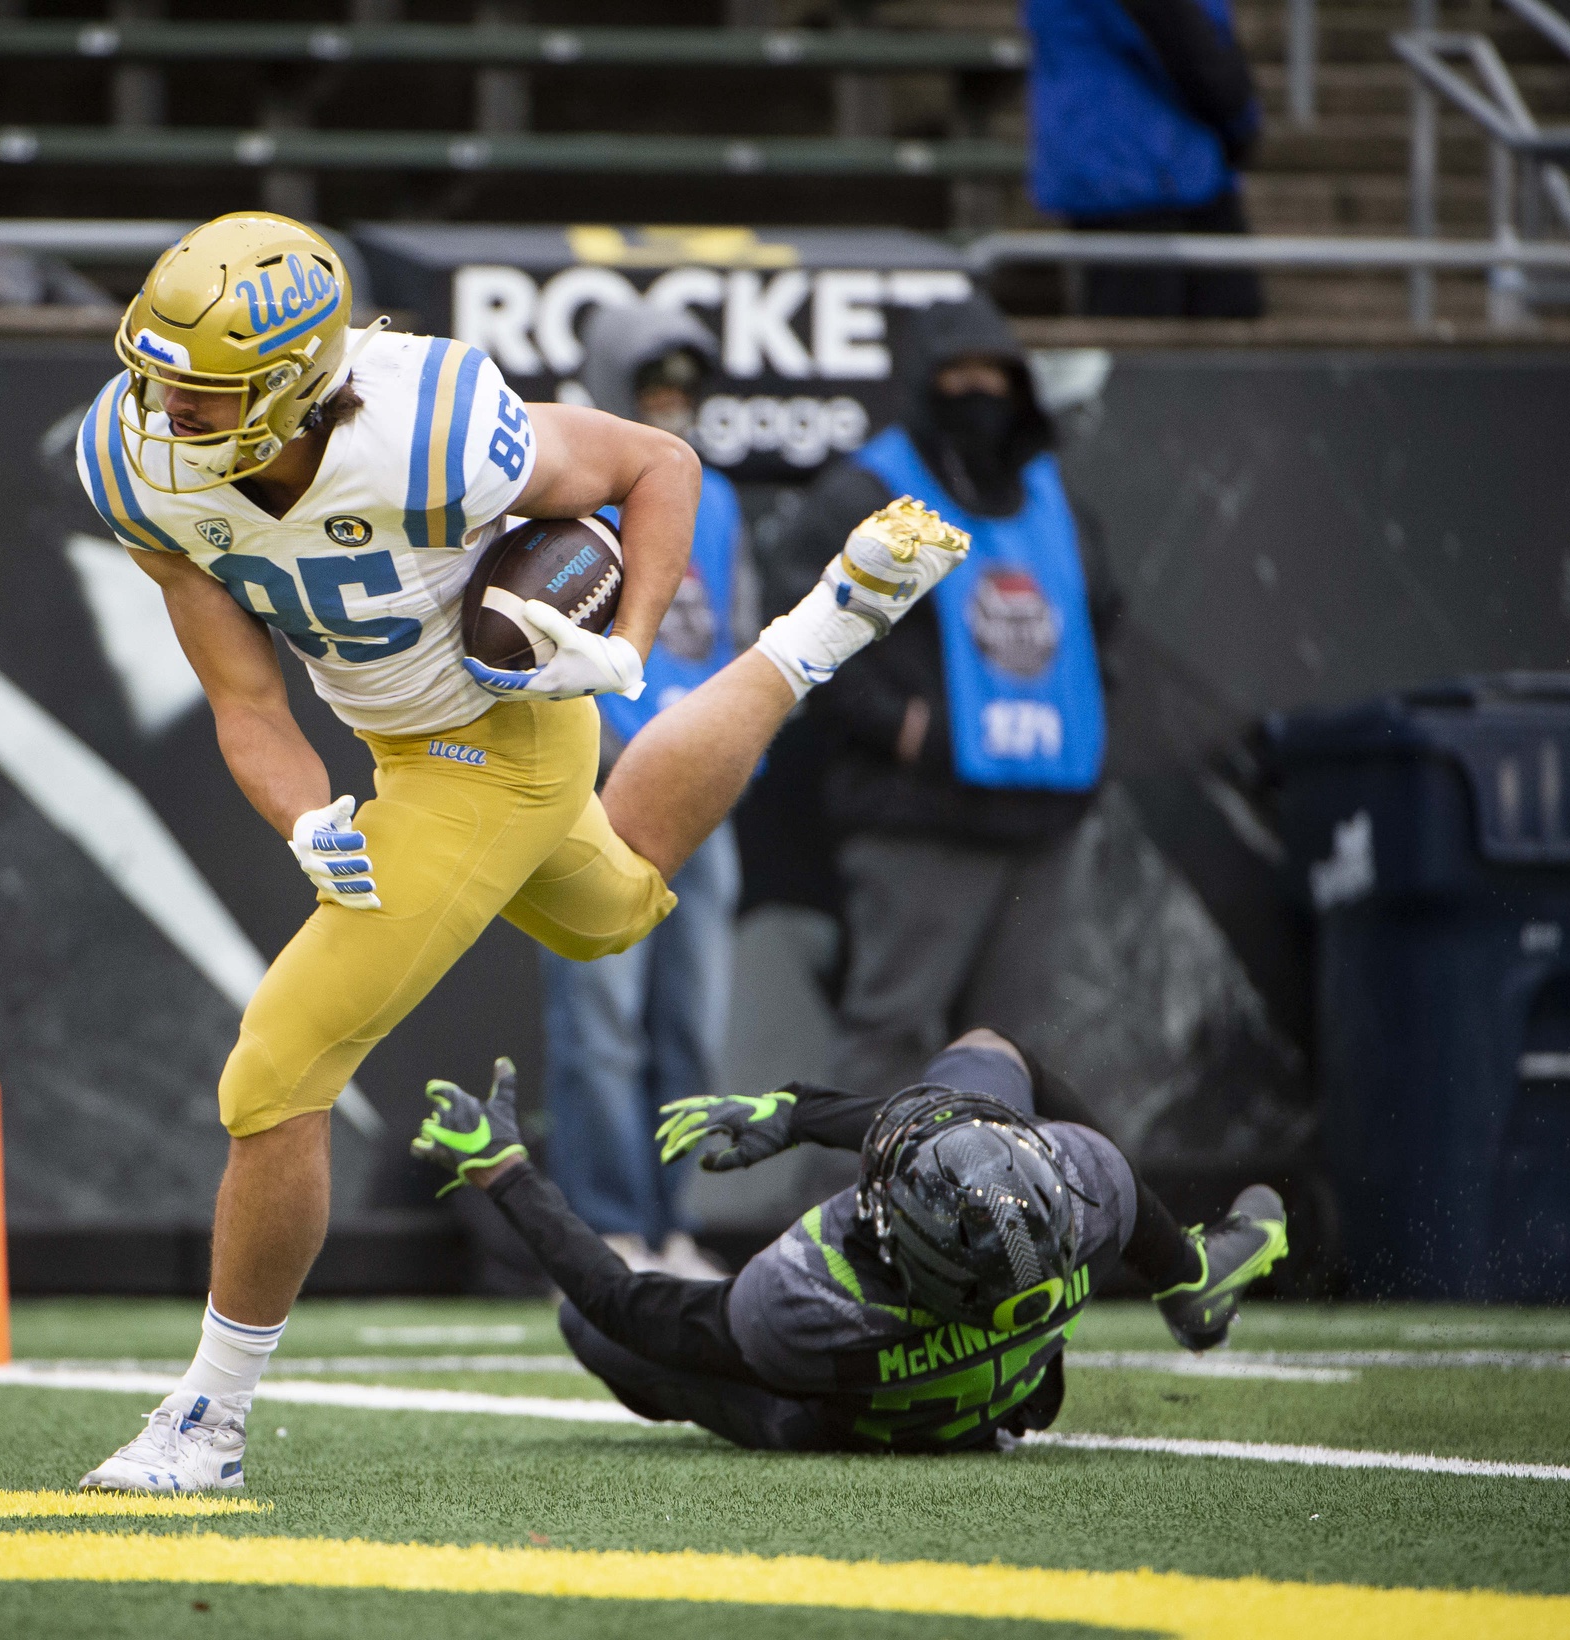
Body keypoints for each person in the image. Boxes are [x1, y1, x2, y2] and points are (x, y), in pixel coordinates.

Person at [69, 211, 970, 1492]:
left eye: (200, 391)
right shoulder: (138, 461)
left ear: (294, 385)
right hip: (399, 750)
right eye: (155, 373)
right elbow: (245, 701)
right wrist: (301, 815)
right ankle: (822, 629)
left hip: (492, 740)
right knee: (613, 905)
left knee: (276, 1063)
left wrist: (630, 644)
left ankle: (207, 1418)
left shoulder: (427, 424)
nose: (161, 407)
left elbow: (656, 461)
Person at [412, 1031, 1287, 1452]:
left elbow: (621, 1303)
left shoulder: (798, 1305)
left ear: (892, 1237)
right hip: (1013, 1375)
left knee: (587, 1328)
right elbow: (938, 1132)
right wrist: (795, 1113)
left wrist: (506, 1175)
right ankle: (1191, 1280)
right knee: (994, 1051)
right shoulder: (1087, 1184)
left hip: (848, 1408)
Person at [770, 291, 1119, 1104]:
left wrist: (1092, 736)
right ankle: (850, 1228)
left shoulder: (1056, 498)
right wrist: (908, 732)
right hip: (916, 821)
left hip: (1047, 827)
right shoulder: (865, 490)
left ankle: (996, 1230)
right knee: (889, 1046)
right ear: (925, 383)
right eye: (956, 374)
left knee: (1014, 1063)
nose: (977, 392)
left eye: (994, 375)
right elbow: (807, 627)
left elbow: (1105, 627)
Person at [538, 303, 757, 1281]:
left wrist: (728, 750)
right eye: (653, 388)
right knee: (600, 1024)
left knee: (691, 1024)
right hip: (593, 784)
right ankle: (606, 1224)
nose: (672, 405)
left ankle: (673, 1225)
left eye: (683, 389)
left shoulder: (722, 498)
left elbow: (737, 636)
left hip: (698, 788)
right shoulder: (564, 478)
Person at [1025, 0, 1266, 319]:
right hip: (1139, 171)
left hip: (1159, 168)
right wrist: (1240, 123)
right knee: (1146, 347)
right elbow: (1189, 49)